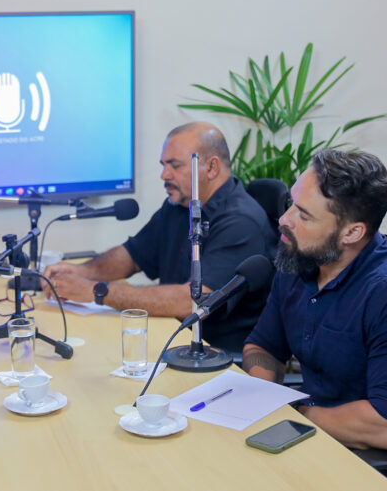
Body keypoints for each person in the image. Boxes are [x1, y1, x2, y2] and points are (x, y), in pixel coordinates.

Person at [242, 149, 387, 454]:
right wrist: (262, 396)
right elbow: (263, 347)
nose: (285, 220)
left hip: (368, 459)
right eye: (291, 204)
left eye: (304, 214)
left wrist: (292, 415)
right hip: (309, 434)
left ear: (352, 232)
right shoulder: (301, 259)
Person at [42, 122, 277, 352]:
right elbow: (133, 255)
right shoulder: (179, 205)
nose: (164, 174)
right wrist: (83, 272)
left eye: (175, 165)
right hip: (170, 337)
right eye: (163, 165)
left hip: (212, 355)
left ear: (211, 167)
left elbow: (192, 301)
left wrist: (97, 291)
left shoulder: (241, 222)